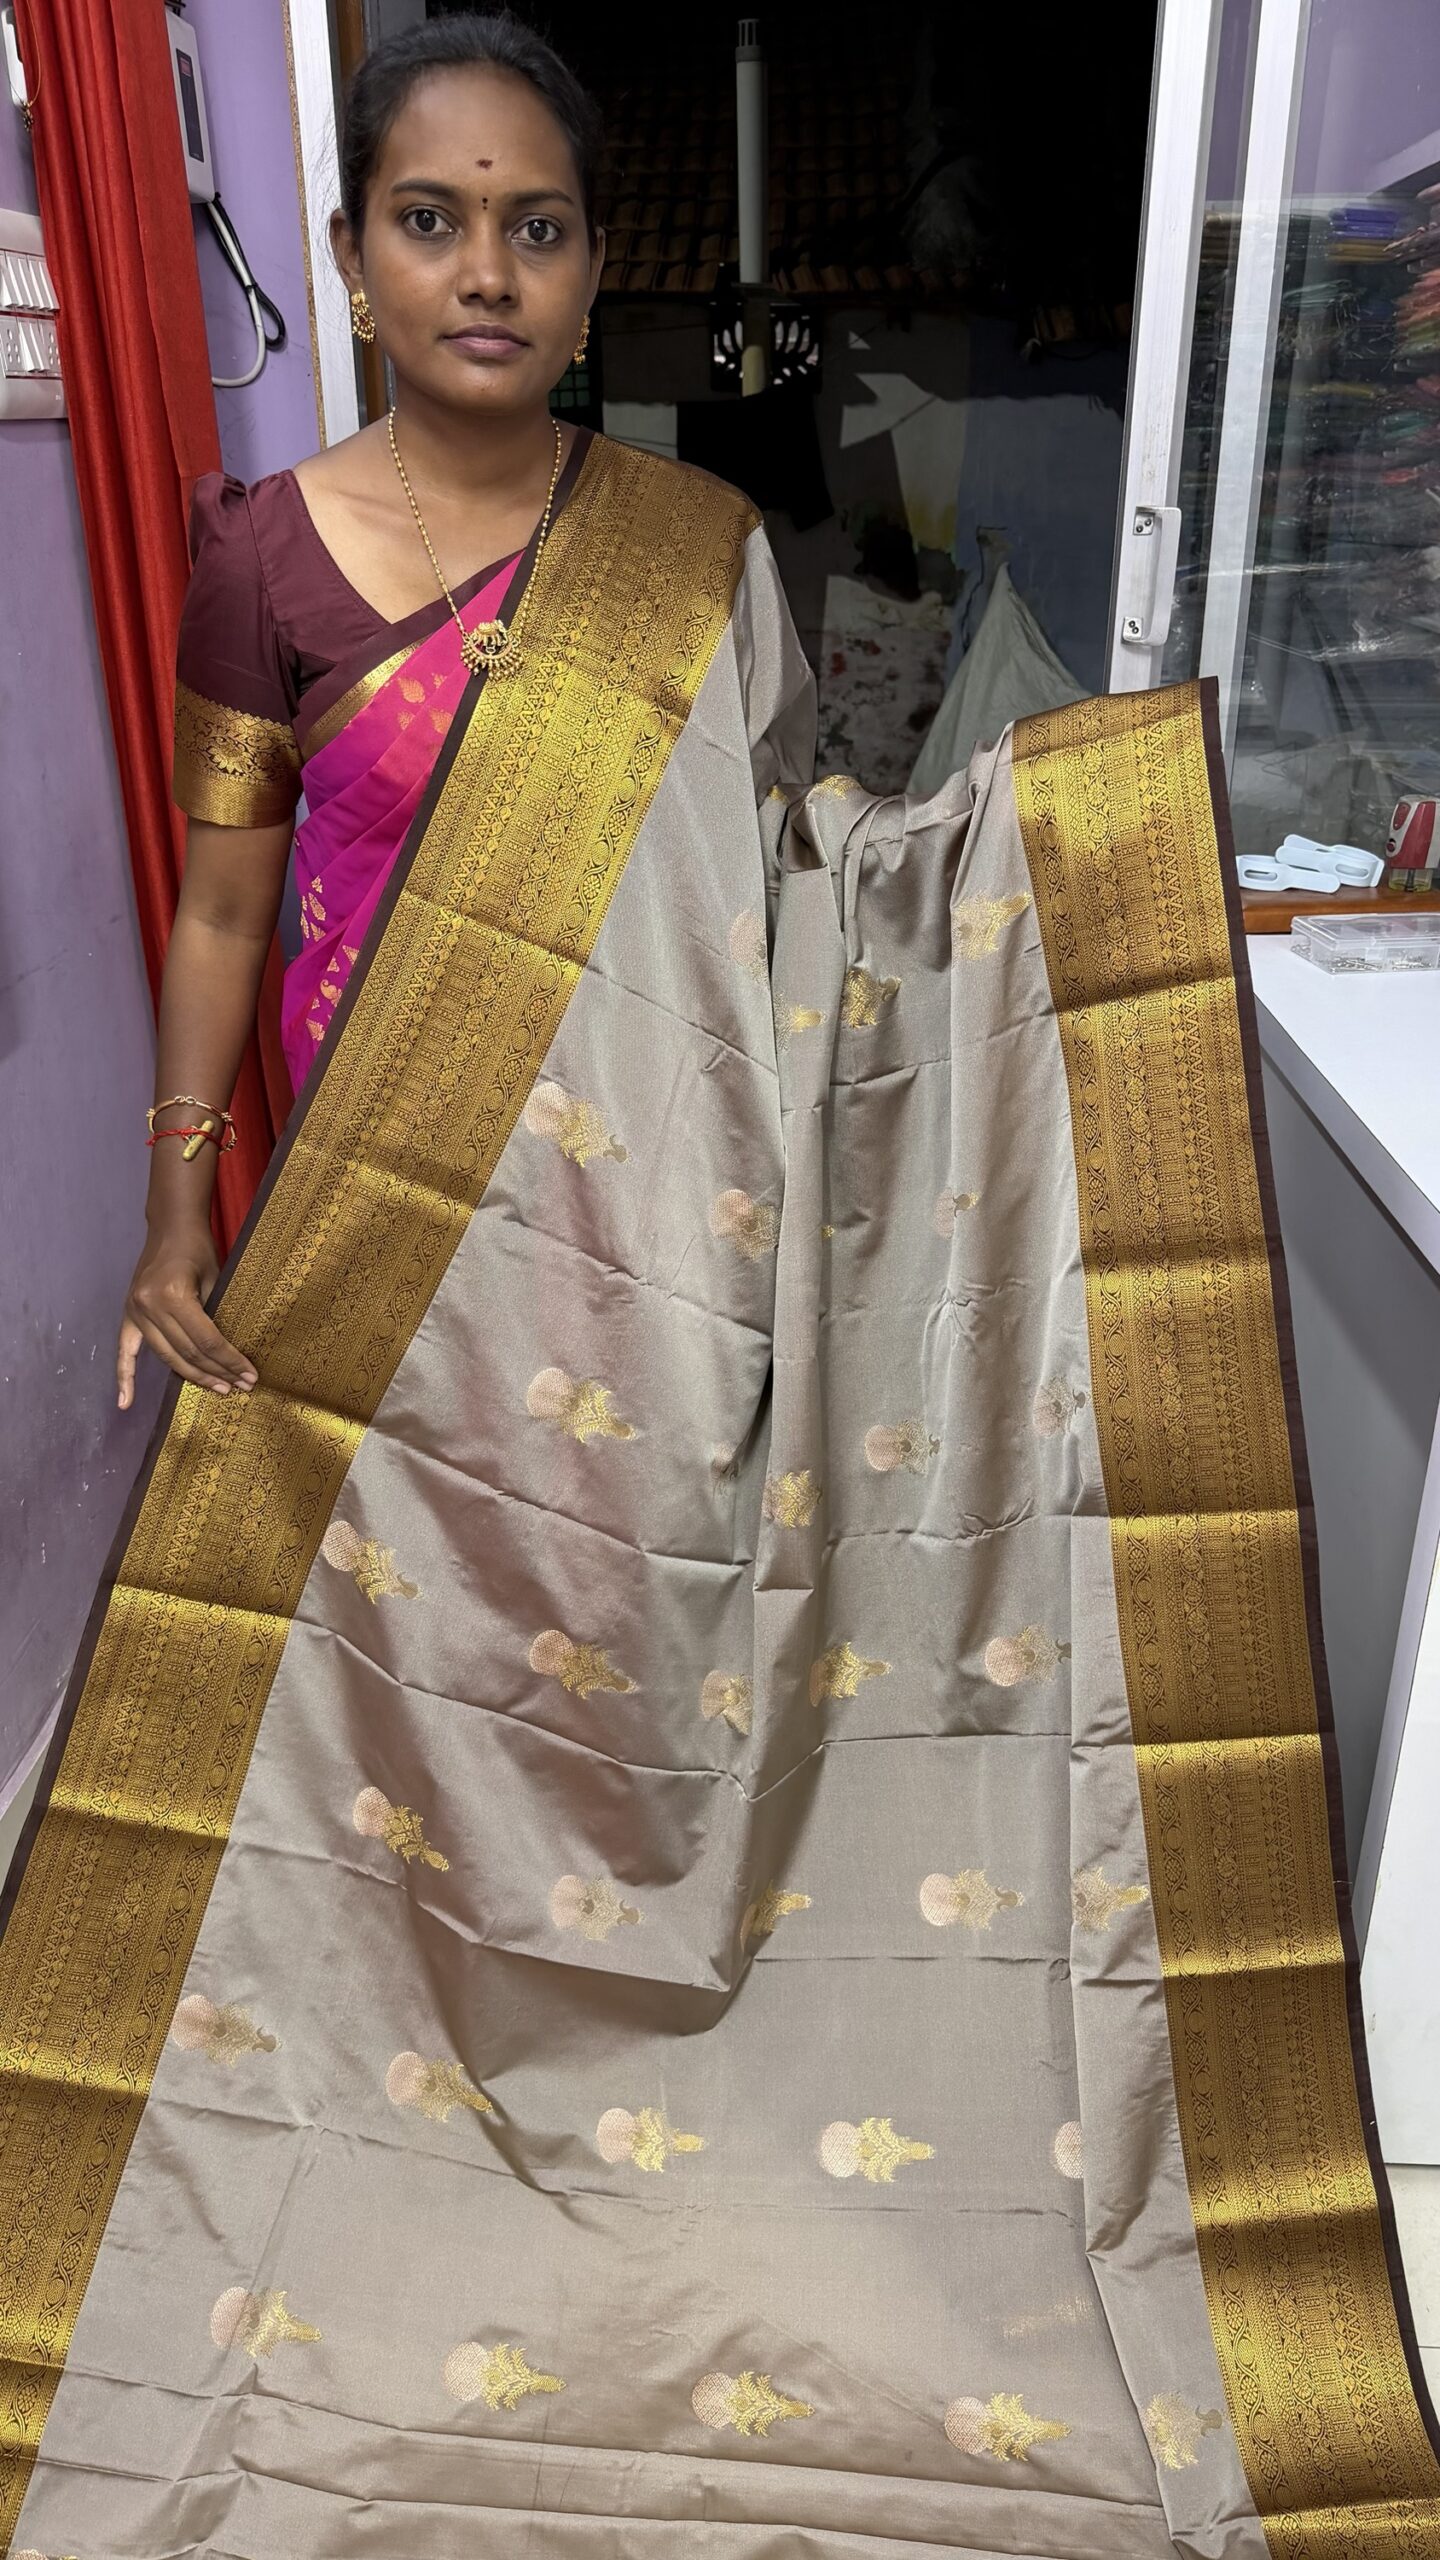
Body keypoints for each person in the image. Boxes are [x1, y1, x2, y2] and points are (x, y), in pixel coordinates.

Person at [2, 15, 1437, 2558]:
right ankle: (380, 2122)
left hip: (644, 1258)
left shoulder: (686, 547)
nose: (484, 269)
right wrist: (175, 1199)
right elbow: (222, 903)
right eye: (431, 219)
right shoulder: (263, 558)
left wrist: (1054, 863)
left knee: (620, 1684)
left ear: (588, 275)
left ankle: (634, 2111)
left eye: (536, 227)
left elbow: (795, 910)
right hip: (377, 1250)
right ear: (350, 252)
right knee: (364, 1741)